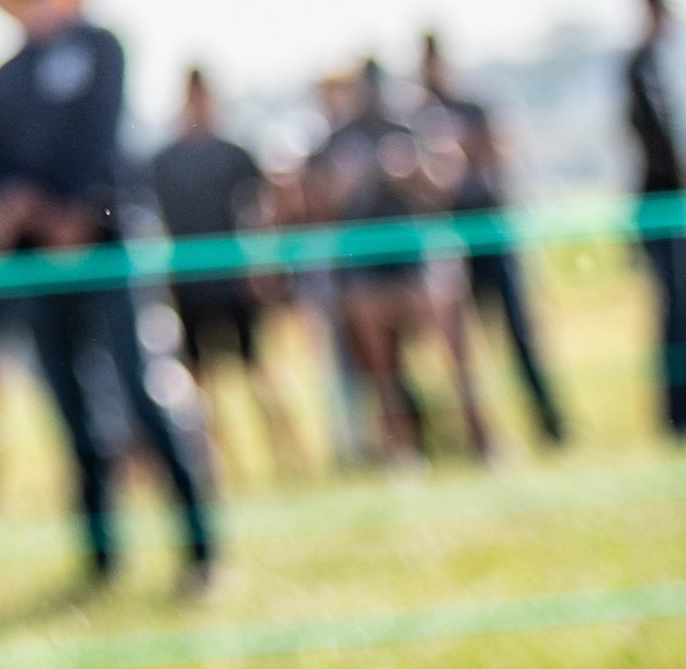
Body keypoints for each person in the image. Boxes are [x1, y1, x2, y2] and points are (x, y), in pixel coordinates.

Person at [0, 0, 214, 591]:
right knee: (71, 410)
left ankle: (200, 550)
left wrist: (72, 213)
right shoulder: (5, 77)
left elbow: (103, 139)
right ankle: (102, 560)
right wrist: (15, 209)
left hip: (108, 244)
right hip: (38, 261)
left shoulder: (104, 46)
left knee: (144, 393)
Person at [305, 62, 490, 463]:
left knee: (457, 349)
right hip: (367, 269)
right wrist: (349, 181)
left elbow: (445, 185)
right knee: (380, 366)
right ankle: (401, 449)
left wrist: (412, 167)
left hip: (417, 260)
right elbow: (319, 204)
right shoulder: (337, 139)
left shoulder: (414, 125)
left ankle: (483, 440)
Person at [150, 69, 305, 482]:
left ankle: (289, 460)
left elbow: (264, 207)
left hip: (236, 283)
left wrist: (263, 265)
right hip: (188, 287)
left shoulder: (235, 154)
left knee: (261, 376)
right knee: (202, 390)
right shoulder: (163, 161)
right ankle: (217, 468)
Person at [415, 31, 564, 446]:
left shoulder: (473, 106)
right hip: (451, 240)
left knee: (520, 334)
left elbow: (502, 154)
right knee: (462, 348)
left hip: (493, 232)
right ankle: (483, 437)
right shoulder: (419, 115)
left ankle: (549, 423)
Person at [624, 0, 686, 438]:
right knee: (674, 307)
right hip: (663, 202)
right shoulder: (641, 62)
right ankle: (676, 412)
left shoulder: (665, 57)